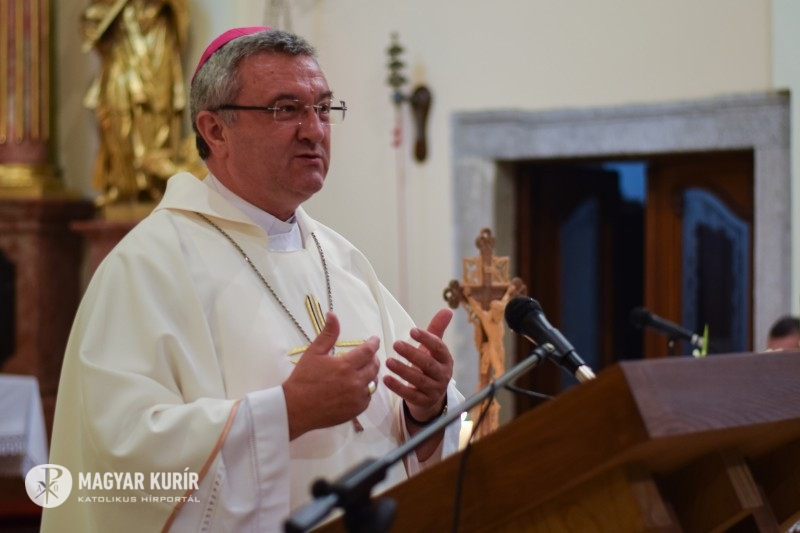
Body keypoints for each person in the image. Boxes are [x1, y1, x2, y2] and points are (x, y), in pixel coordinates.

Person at [43, 27, 462, 531]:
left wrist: (425, 408)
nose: (314, 130)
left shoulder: (343, 260)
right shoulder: (147, 266)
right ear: (215, 130)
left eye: (323, 108)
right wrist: (287, 411)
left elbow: (402, 435)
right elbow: (121, 459)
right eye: (286, 109)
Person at [82, 0, 191, 207]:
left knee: (151, 117)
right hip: (121, 51)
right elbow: (93, 15)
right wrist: (96, 19)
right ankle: (121, 184)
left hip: (154, 49)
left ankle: (152, 185)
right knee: (116, 118)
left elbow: (180, 12)